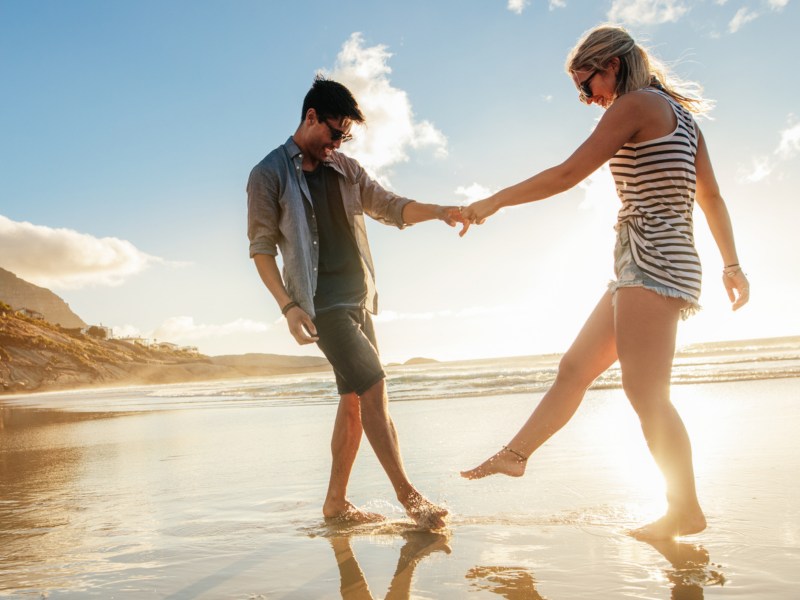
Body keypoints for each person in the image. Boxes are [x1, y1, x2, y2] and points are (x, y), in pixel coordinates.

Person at [458, 25, 750, 540]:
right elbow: (713, 198)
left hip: (652, 260)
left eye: (585, 84)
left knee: (647, 394)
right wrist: (731, 265)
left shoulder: (634, 105)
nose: (586, 98)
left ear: (610, 65)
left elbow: (569, 173)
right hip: (652, 260)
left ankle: (685, 509)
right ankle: (516, 455)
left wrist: (495, 200)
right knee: (576, 367)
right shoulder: (682, 118)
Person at [247, 76, 458, 528]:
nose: (338, 142)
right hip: (322, 307)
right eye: (334, 132)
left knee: (353, 401)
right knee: (375, 385)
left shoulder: (346, 169)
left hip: (359, 302)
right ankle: (411, 498)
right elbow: (261, 248)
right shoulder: (268, 173)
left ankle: (335, 504)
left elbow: (390, 206)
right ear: (310, 117)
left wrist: (439, 211)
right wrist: (288, 306)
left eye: (345, 135)